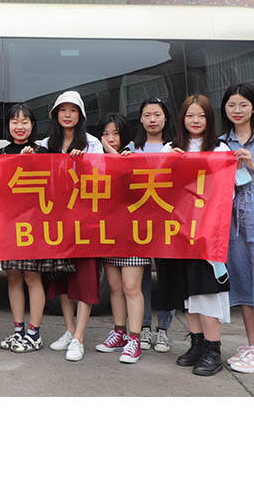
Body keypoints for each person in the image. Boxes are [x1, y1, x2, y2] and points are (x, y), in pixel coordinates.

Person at [155, 94, 232, 375]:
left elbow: (227, 189)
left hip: (207, 235)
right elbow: (157, 188)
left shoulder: (221, 148)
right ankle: (197, 344)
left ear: (209, 119)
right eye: (190, 116)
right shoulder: (170, 148)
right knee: (186, 293)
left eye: (201, 116)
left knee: (206, 292)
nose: (195, 121)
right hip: (178, 234)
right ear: (182, 119)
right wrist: (167, 162)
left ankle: (214, 349)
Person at [37, 90, 103, 362]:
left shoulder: (91, 143)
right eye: (62, 110)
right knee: (61, 279)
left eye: (72, 110)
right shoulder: (45, 144)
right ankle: (68, 329)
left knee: (85, 280)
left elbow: (103, 180)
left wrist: (84, 163)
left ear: (81, 115)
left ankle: (79, 338)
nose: (67, 115)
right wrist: (29, 156)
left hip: (84, 223)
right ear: (54, 114)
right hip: (56, 224)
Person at [0, 103, 69, 355]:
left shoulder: (43, 152)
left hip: (33, 226)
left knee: (32, 277)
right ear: (8, 125)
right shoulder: (0, 153)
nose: (19, 126)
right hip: (8, 225)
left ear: (32, 125)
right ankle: (18, 330)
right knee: (13, 277)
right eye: (15, 121)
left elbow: (54, 188)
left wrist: (32, 162)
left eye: (25, 121)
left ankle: (34, 333)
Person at [219, 83, 254, 374]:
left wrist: (252, 165)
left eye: (243, 105)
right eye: (232, 105)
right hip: (232, 218)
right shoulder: (220, 142)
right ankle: (253, 347)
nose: (237, 111)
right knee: (243, 283)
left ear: (253, 107)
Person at [123, 97, 177, 353]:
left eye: (157, 114)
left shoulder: (176, 147)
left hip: (168, 222)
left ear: (166, 118)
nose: (152, 119)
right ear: (141, 120)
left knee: (167, 276)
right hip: (138, 223)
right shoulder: (132, 148)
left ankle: (163, 329)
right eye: (147, 115)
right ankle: (143, 326)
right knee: (140, 277)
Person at [95, 112, 148, 364]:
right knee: (114, 287)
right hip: (108, 231)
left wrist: (110, 151)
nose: (110, 138)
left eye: (115, 133)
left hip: (134, 232)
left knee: (131, 287)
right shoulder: (95, 159)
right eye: (105, 133)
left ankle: (134, 339)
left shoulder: (133, 154)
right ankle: (119, 332)